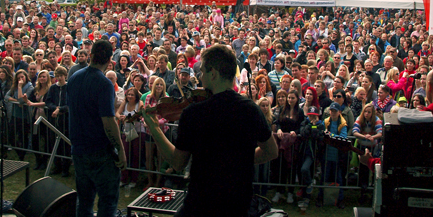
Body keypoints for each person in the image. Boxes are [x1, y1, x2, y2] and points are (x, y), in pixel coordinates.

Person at [142, 44, 278, 217]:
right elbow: (271, 151)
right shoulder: (251, 109)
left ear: (213, 73)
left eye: (203, 72)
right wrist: (237, 160)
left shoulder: (194, 113)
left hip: (201, 203)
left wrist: (154, 128)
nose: (200, 76)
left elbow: (177, 162)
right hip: (238, 203)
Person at [67, 40, 126, 217]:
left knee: (84, 201)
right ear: (110, 60)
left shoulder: (74, 78)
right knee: (107, 202)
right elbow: (108, 122)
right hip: (100, 152)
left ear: (90, 55)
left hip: (78, 150)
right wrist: (121, 150)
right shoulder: (104, 84)